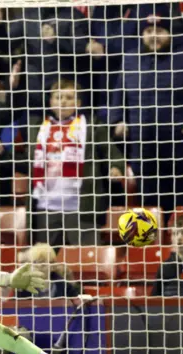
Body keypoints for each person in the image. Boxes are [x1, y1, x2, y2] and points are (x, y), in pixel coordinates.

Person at [110, 3, 183, 215]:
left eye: (159, 31)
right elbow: (117, 95)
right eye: (149, 31)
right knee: (151, 210)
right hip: (145, 150)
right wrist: (117, 121)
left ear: (170, 32)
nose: (153, 36)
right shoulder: (131, 60)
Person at [14, 79, 125, 248]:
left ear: (78, 103)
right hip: (45, 207)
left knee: (87, 263)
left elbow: (112, 153)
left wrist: (116, 167)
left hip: (81, 207)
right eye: (58, 97)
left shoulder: (92, 126)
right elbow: (25, 162)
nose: (63, 101)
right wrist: (1, 155)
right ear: (51, 101)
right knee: (43, 264)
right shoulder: (36, 128)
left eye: (68, 97)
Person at [15, 243, 81, 298]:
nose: (39, 266)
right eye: (35, 262)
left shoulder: (64, 286)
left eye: (43, 262)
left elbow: (77, 303)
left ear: (52, 265)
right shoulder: (23, 287)